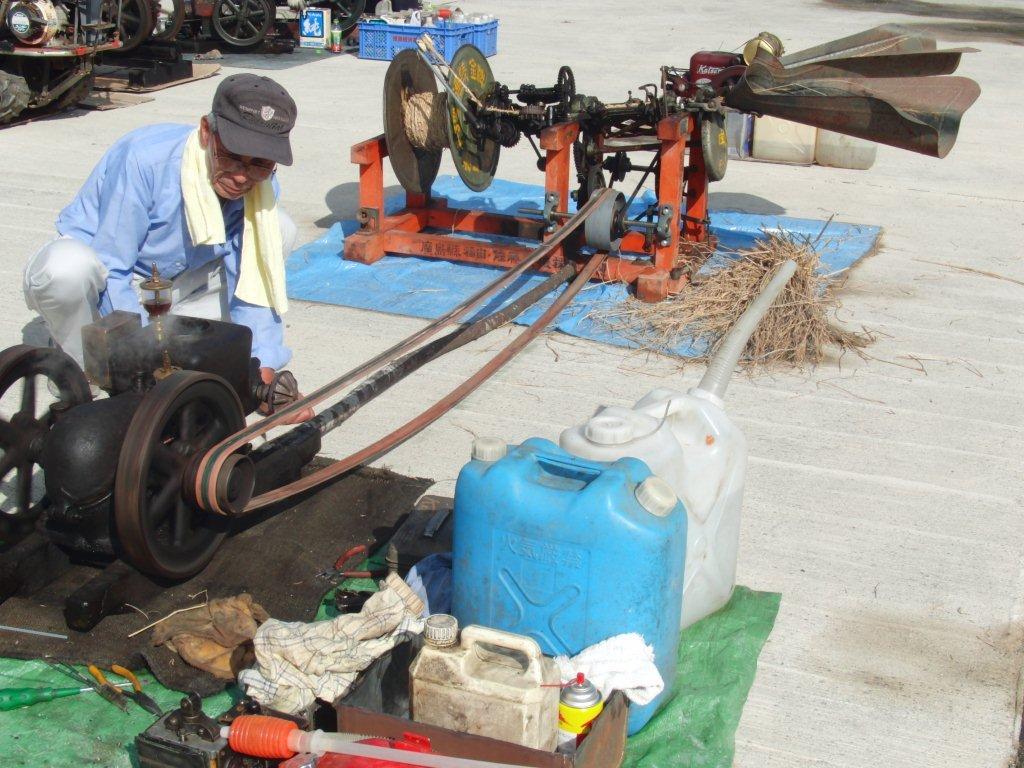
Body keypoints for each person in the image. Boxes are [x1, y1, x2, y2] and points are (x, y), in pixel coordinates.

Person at [23, 73, 309, 421]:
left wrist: (261, 372)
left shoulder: (261, 185)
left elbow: (252, 279)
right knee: (65, 271)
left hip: (179, 287)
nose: (241, 176)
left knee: (277, 227)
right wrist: (141, 361)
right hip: (107, 283)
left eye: (260, 164)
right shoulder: (145, 160)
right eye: (233, 156)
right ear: (207, 132)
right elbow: (113, 268)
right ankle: (81, 361)